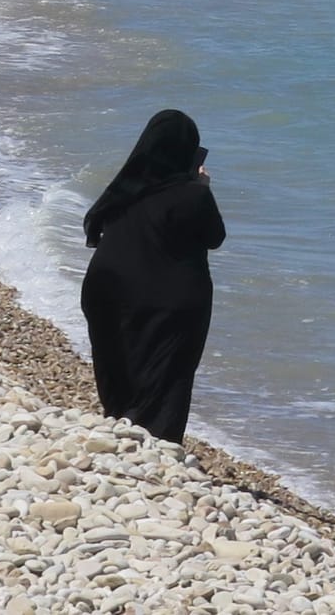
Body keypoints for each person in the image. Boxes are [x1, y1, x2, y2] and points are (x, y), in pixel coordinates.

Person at [80, 108, 226, 443]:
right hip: (168, 300)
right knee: (166, 373)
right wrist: (202, 185)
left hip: (105, 289)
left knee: (119, 363)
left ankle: (119, 426)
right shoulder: (193, 194)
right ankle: (155, 443)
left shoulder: (124, 187)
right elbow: (214, 237)